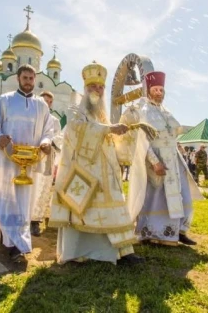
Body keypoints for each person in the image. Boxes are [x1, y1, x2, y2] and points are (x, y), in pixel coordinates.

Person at [48, 61, 144, 265]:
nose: (97, 91)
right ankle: (76, 252)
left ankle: (123, 252)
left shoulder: (102, 115)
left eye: (101, 87)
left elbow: (111, 141)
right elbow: (75, 130)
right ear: (85, 88)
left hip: (107, 172)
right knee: (83, 210)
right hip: (84, 172)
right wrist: (108, 129)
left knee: (116, 207)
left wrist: (126, 129)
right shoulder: (76, 109)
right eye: (93, 87)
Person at [119, 71, 202, 246]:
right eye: (156, 89)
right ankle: (152, 232)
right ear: (149, 90)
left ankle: (179, 231)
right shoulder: (142, 110)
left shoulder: (165, 111)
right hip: (155, 159)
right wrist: (155, 162)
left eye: (161, 90)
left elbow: (172, 135)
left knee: (183, 195)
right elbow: (140, 141)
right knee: (156, 198)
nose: (159, 93)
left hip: (174, 159)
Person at [0, 64, 55, 262]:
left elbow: (48, 130)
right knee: (7, 199)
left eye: (32, 78)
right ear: (18, 78)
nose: (29, 82)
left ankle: (19, 244)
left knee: (24, 201)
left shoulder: (41, 105)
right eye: (25, 78)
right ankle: (8, 239)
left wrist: (46, 143)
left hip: (29, 163)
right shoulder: (4, 101)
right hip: (8, 161)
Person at [31, 91, 63, 236]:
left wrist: (50, 142)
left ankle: (35, 221)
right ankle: (24, 219)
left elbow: (59, 137)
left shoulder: (54, 120)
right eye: (45, 101)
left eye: (50, 102)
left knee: (42, 190)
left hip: (46, 159)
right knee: (29, 189)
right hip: (31, 158)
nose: (48, 104)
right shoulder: (31, 117)